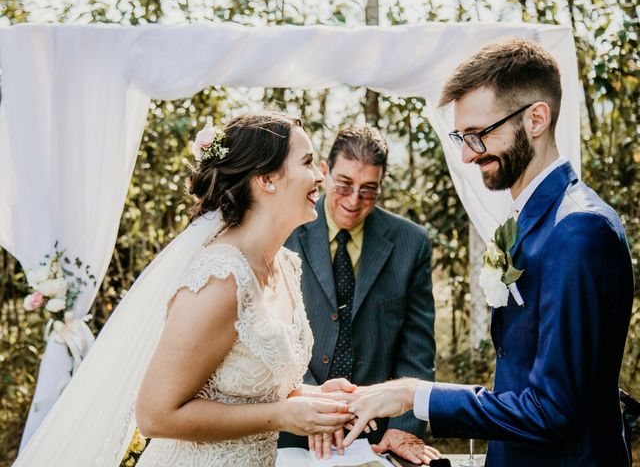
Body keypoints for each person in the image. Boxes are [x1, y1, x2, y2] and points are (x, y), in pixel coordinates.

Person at [329, 39, 634, 467]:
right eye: (462, 136)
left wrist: (415, 395)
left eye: (479, 135)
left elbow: (554, 411)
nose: (467, 155)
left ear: (536, 119)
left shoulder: (577, 229)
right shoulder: (532, 220)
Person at [13, 112, 356, 467]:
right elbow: (155, 415)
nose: (319, 176)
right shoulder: (221, 280)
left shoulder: (284, 265)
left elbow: (250, 391)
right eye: (308, 162)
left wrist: (313, 399)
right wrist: (283, 415)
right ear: (267, 179)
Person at [278, 125, 441, 465]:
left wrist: (406, 425)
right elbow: (272, 333)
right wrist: (312, 408)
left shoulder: (411, 243)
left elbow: (417, 346)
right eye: (344, 185)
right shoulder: (284, 229)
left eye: (369, 190)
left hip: (376, 438)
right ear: (324, 172)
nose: (354, 201)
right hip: (291, 429)